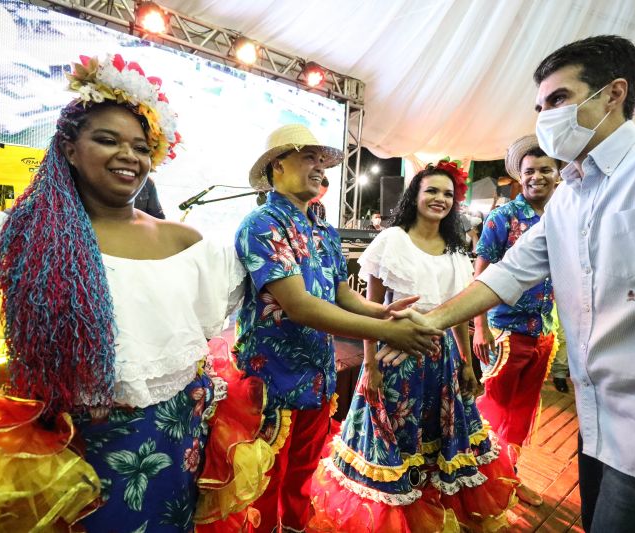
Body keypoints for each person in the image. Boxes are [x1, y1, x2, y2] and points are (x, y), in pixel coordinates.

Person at [390, 35, 635, 533]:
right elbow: (508, 271)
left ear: (614, 94)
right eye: (539, 106)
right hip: (598, 434)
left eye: (558, 100)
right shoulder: (569, 198)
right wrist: (431, 319)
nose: (545, 116)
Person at [0, 54, 269, 532]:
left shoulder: (189, 245)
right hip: (69, 458)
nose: (128, 156)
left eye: (140, 146)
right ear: (69, 148)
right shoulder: (14, 235)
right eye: (107, 140)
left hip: (177, 447)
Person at [234, 123, 442, 533]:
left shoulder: (323, 230)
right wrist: (385, 332)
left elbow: (341, 294)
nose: (320, 169)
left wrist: (382, 313)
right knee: (263, 485)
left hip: (317, 377)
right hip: (272, 380)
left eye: (321, 160)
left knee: (300, 478)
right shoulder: (262, 224)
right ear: (277, 165)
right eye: (308, 158)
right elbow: (299, 306)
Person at [310, 159, 518, 532]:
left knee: (435, 443)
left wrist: (467, 364)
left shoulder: (456, 251)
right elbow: (373, 310)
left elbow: (458, 314)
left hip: (443, 361)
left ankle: (428, 512)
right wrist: (370, 363)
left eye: (448, 194)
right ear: (415, 196)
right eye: (432, 191)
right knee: (394, 443)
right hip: (395, 357)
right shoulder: (392, 240)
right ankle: (394, 519)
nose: (440, 199)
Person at [471, 134, 559, 506]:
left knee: (522, 411)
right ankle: (478, 480)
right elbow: (481, 275)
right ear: (518, 177)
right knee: (494, 407)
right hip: (505, 331)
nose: (536, 176)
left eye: (544, 169)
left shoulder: (562, 215)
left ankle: (509, 475)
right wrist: (479, 326)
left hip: (543, 331)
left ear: (557, 173)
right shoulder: (503, 217)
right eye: (529, 171)